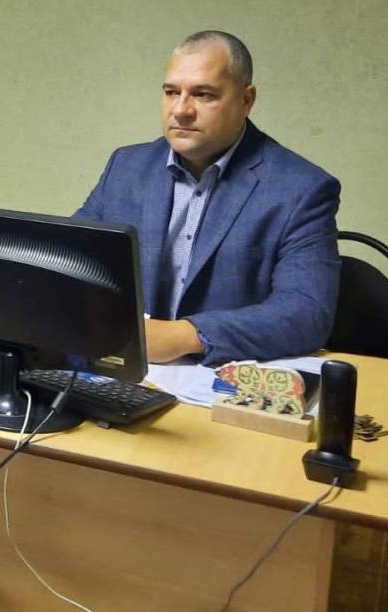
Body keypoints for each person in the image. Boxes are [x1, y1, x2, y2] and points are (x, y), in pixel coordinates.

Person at [74, 30, 341, 365]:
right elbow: (68, 259)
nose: (181, 110)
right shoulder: (126, 166)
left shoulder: (302, 189)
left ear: (246, 100)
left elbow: (307, 313)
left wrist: (185, 336)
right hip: (121, 370)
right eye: (171, 92)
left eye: (203, 95)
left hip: (219, 376)